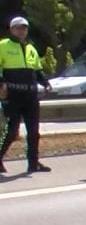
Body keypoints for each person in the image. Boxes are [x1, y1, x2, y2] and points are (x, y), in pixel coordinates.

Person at [0, 17, 52, 173]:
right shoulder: (3, 46)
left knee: (34, 132)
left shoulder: (31, 48)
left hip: (30, 95)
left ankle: (33, 163)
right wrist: (1, 85)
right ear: (11, 29)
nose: (21, 31)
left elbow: (36, 70)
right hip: (12, 95)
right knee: (12, 131)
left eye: (24, 28)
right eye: (18, 28)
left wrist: (45, 82)